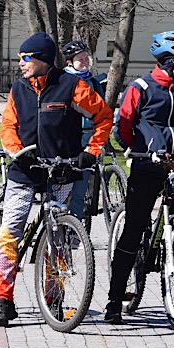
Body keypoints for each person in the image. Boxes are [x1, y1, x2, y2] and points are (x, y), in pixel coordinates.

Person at [0, 33, 113, 327]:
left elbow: (104, 117)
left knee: (58, 239)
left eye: (26, 58)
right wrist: (18, 152)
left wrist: (91, 151)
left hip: (61, 170)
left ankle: (54, 298)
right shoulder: (19, 88)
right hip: (24, 171)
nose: (21, 64)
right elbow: (8, 126)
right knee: (11, 233)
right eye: (20, 59)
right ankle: (3, 299)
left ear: (42, 59)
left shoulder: (72, 85)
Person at [106, 31, 174, 326]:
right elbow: (123, 128)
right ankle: (114, 300)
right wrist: (141, 150)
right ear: (170, 61)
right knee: (133, 230)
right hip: (147, 167)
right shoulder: (140, 88)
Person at [60, 39, 109, 222]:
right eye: (81, 59)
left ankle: (75, 230)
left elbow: (102, 112)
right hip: (66, 140)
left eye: (86, 58)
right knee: (62, 188)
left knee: (80, 187)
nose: (86, 62)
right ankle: (58, 227)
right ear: (70, 62)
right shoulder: (62, 82)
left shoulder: (94, 83)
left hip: (88, 138)